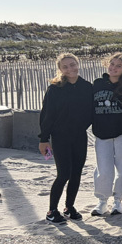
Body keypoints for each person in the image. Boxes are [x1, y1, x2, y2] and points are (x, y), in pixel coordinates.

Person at [39, 53, 93, 223]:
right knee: (63, 174)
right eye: (65, 66)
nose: (70, 69)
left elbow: (91, 111)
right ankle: (52, 211)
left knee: (76, 173)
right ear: (60, 69)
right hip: (60, 136)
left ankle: (69, 207)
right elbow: (47, 115)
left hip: (79, 136)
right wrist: (43, 139)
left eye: (72, 64)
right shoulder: (55, 88)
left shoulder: (87, 87)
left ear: (78, 64)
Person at [90, 53, 122, 216]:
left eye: (119, 66)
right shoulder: (98, 83)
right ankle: (102, 201)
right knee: (103, 169)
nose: (114, 68)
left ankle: (118, 201)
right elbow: (89, 107)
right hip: (102, 133)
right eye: (112, 64)